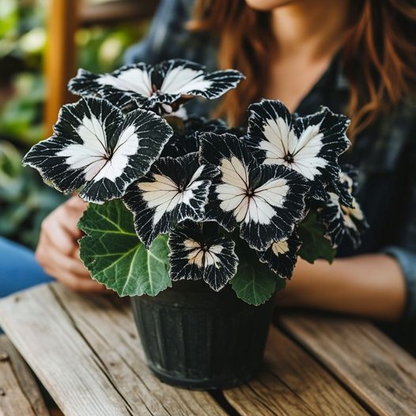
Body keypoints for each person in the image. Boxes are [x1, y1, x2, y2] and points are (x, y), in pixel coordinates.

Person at [3, 0, 416, 347]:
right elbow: (124, 136)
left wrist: (256, 271)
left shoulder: (406, 67)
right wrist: (79, 223)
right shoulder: (197, 9)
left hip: (312, 349)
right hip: (128, 312)